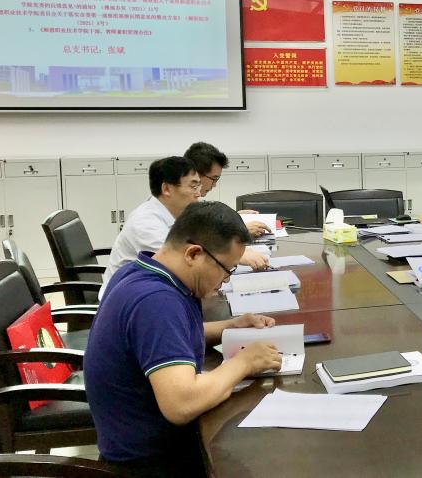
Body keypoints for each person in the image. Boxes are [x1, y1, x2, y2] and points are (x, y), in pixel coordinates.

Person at [86, 201, 282, 476]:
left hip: (150, 443)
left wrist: (230, 326)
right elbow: (181, 404)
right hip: (149, 464)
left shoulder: (142, 272)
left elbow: (168, 337)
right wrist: (243, 363)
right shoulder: (157, 302)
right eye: (226, 269)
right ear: (193, 253)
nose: (226, 280)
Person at [101, 156, 203, 299]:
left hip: (149, 289)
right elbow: (183, 266)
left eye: (198, 186)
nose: (198, 193)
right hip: (127, 301)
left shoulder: (171, 212)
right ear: (166, 189)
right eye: (193, 187)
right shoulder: (145, 223)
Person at [184, 141, 271, 271]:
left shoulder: (191, 202)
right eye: (214, 179)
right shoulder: (158, 217)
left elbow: (205, 230)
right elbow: (184, 252)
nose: (214, 185)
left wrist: (234, 218)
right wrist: (232, 253)